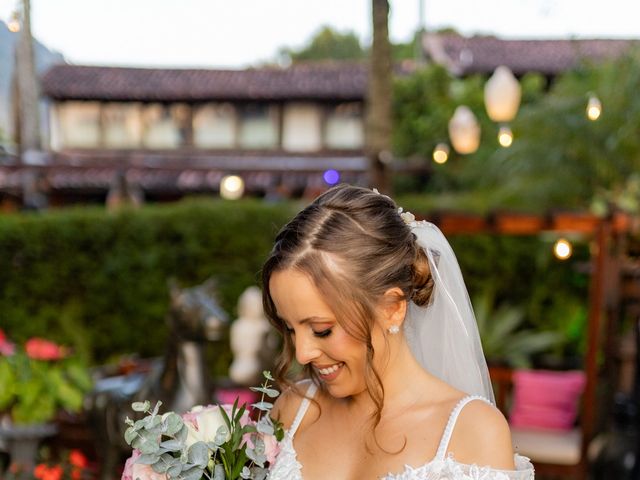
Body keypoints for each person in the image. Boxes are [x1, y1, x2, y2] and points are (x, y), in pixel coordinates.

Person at [262, 184, 534, 480]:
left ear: (392, 306)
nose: (302, 353)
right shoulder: (294, 409)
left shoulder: (472, 432)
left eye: (322, 330)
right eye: (289, 327)